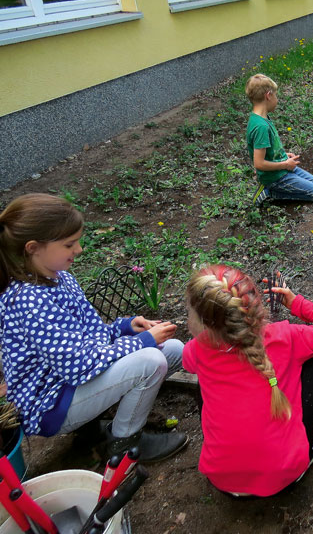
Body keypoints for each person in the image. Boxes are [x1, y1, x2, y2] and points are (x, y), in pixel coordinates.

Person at [0, 193, 187, 462]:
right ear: (33, 248)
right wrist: (143, 341)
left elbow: (90, 336)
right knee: (152, 360)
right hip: (51, 405)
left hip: (69, 384)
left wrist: (125, 327)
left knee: (173, 349)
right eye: (69, 244)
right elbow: (79, 365)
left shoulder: (59, 277)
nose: (78, 250)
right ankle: (124, 443)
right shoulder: (29, 301)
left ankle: (92, 428)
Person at [183, 265, 313, 496]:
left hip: (221, 480)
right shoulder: (286, 337)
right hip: (282, 477)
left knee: (202, 380)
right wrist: (297, 303)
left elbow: (187, 364)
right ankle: (306, 445)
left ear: (204, 319)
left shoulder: (196, 348)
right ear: (254, 302)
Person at [246, 74, 313, 206]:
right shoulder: (261, 127)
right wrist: (285, 164)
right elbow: (258, 163)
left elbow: (268, 151)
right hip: (275, 177)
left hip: (281, 168)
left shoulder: (261, 119)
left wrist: (282, 157)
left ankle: (275, 187)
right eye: (276, 95)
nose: (277, 99)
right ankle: (269, 191)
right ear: (268, 95)